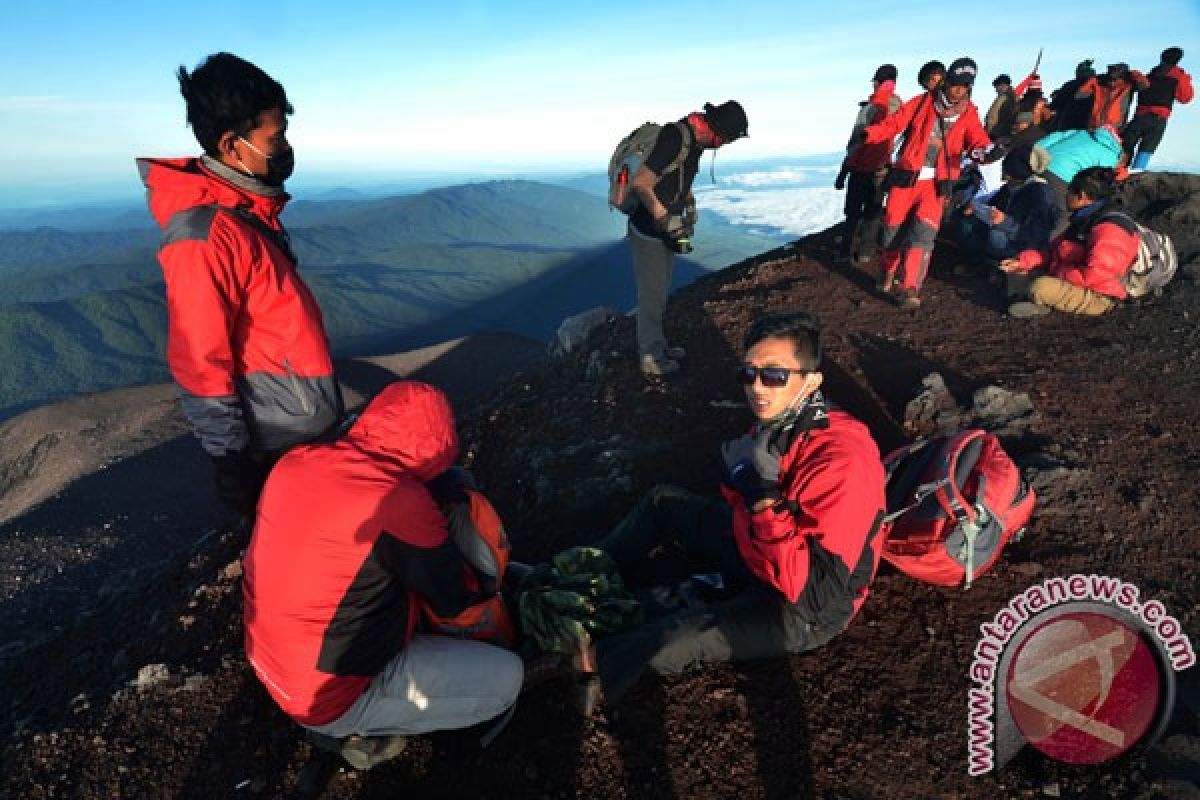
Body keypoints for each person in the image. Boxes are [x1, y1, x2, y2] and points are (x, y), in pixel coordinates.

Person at [542, 312, 885, 715]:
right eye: (749, 373)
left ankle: (577, 663)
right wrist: (749, 492)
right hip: (759, 549)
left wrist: (760, 495)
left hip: (805, 609)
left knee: (673, 638)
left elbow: (811, 593)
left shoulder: (840, 462)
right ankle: (578, 572)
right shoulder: (784, 421)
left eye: (774, 375)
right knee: (663, 502)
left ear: (811, 381)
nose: (757, 388)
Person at [242, 381, 524, 770]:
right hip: (329, 697)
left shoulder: (295, 463)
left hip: (271, 662)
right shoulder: (399, 502)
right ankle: (359, 733)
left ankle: (347, 718)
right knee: (508, 678)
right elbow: (454, 597)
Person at [137, 53, 343, 518]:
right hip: (275, 443)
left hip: (299, 430)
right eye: (276, 137)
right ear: (233, 146)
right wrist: (232, 462)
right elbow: (199, 359)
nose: (286, 146)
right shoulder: (204, 238)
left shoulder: (249, 216)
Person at [626, 101, 748, 378]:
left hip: (665, 230)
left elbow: (677, 180)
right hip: (648, 230)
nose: (721, 146)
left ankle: (659, 346)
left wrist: (688, 205)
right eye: (724, 141)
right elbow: (641, 183)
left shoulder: (694, 143)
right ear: (715, 131)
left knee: (661, 292)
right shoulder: (674, 137)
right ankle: (651, 359)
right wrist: (665, 219)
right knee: (651, 296)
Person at [861, 57, 991, 308]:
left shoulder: (969, 113)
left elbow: (978, 142)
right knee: (892, 232)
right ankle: (888, 270)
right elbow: (894, 123)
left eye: (965, 86)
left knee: (924, 236)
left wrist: (986, 153)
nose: (959, 90)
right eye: (956, 84)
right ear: (947, 82)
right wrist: (871, 134)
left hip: (937, 185)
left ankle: (910, 288)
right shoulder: (922, 103)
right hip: (906, 180)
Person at [999, 166, 1137, 317]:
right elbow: (1053, 252)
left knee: (1041, 286)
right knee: (1018, 272)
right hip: (1070, 277)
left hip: (1100, 295)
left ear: (1082, 196)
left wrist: (1055, 272)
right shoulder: (1083, 219)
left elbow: (1095, 275)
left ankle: (1039, 303)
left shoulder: (1110, 229)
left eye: (1070, 190)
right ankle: (1035, 301)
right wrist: (1022, 261)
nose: (1066, 194)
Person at [834, 64, 902, 265]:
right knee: (873, 212)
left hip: (861, 168)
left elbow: (857, 142)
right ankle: (865, 252)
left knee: (853, 213)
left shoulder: (870, 108)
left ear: (878, 82)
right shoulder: (900, 107)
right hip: (883, 168)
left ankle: (845, 252)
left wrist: (844, 170)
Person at [959, 144, 1058, 265]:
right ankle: (973, 263)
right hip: (1004, 232)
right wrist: (977, 209)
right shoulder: (1012, 186)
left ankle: (995, 267)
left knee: (996, 235)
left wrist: (1004, 222)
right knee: (969, 221)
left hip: (1022, 245)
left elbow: (1035, 236)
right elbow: (994, 204)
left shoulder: (1040, 195)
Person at [1036, 125, 1123, 233]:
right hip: (1063, 178)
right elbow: (1100, 182)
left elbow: (1053, 137)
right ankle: (1047, 244)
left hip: (1041, 164)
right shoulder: (1111, 154)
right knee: (1065, 214)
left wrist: (1034, 158)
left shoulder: (1081, 133)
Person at [1122, 47, 1194, 170]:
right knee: (1146, 149)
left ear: (1162, 57)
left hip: (1139, 117)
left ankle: (1118, 172)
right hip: (1158, 119)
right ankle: (1136, 174)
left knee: (1127, 146)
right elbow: (1185, 98)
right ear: (1178, 60)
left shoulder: (1150, 75)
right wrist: (1186, 78)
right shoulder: (1178, 77)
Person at [1079, 63, 1142, 131]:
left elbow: (1144, 85)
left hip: (1114, 128)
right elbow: (1079, 95)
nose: (1112, 72)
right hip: (1093, 126)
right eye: (1111, 69)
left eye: (1116, 70)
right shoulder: (1099, 83)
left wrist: (1134, 73)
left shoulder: (1128, 85)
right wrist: (1092, 80)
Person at [1048, 60, 1098, 132]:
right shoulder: (1099, 86)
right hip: (1090, 125)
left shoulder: (1071, 85)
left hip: (1068, 123)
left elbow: (1057, 102)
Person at [985, 74, 1018, 139]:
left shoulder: (1003, 98)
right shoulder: (1014, 98)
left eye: (996, 87)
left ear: (1002, 85)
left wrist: (990, 133)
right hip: (1005, 134)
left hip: (997, 134)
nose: (996, 90)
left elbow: (993, 118)